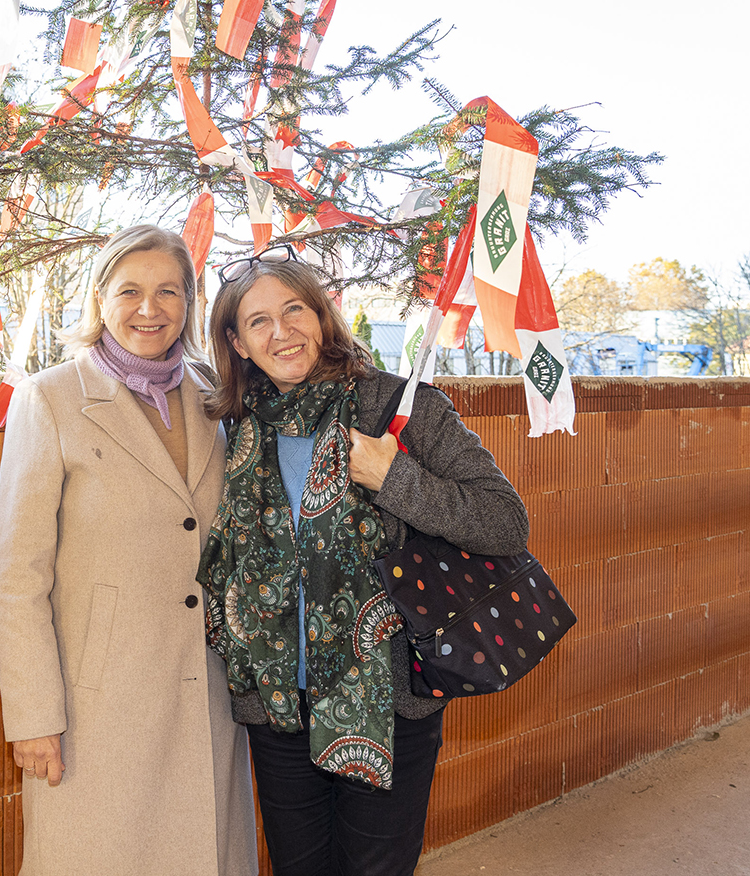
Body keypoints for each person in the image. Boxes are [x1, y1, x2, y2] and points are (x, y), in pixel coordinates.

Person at [198, 245, 529, 876]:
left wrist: (394, 475)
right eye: (258, 321)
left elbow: (505, 521)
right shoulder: (233, 426)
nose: (282, 331)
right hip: (278, 705)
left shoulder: (400, 409)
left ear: (323, 316)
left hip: (388, 697)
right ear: (238, 344)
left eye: (295, 309)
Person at [0, 225, 257, 876]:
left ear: (191, 302)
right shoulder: (50, 400)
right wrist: (33, 715)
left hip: (208, 697)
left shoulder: (218, 395)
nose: (150, 308)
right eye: (130, 290)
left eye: (169, 290)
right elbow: (18, 576)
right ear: (99, 299)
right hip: (98, 709)